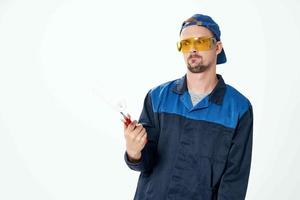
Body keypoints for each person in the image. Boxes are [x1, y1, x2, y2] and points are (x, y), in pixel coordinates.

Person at [123, 13, 253, 200]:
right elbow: (146, 162)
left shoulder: (238, 109)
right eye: (186, 43)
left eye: (200, 42)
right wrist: (134, 152)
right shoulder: (157, 98)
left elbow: (234, 182)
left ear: (217, 47)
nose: (192, 49)